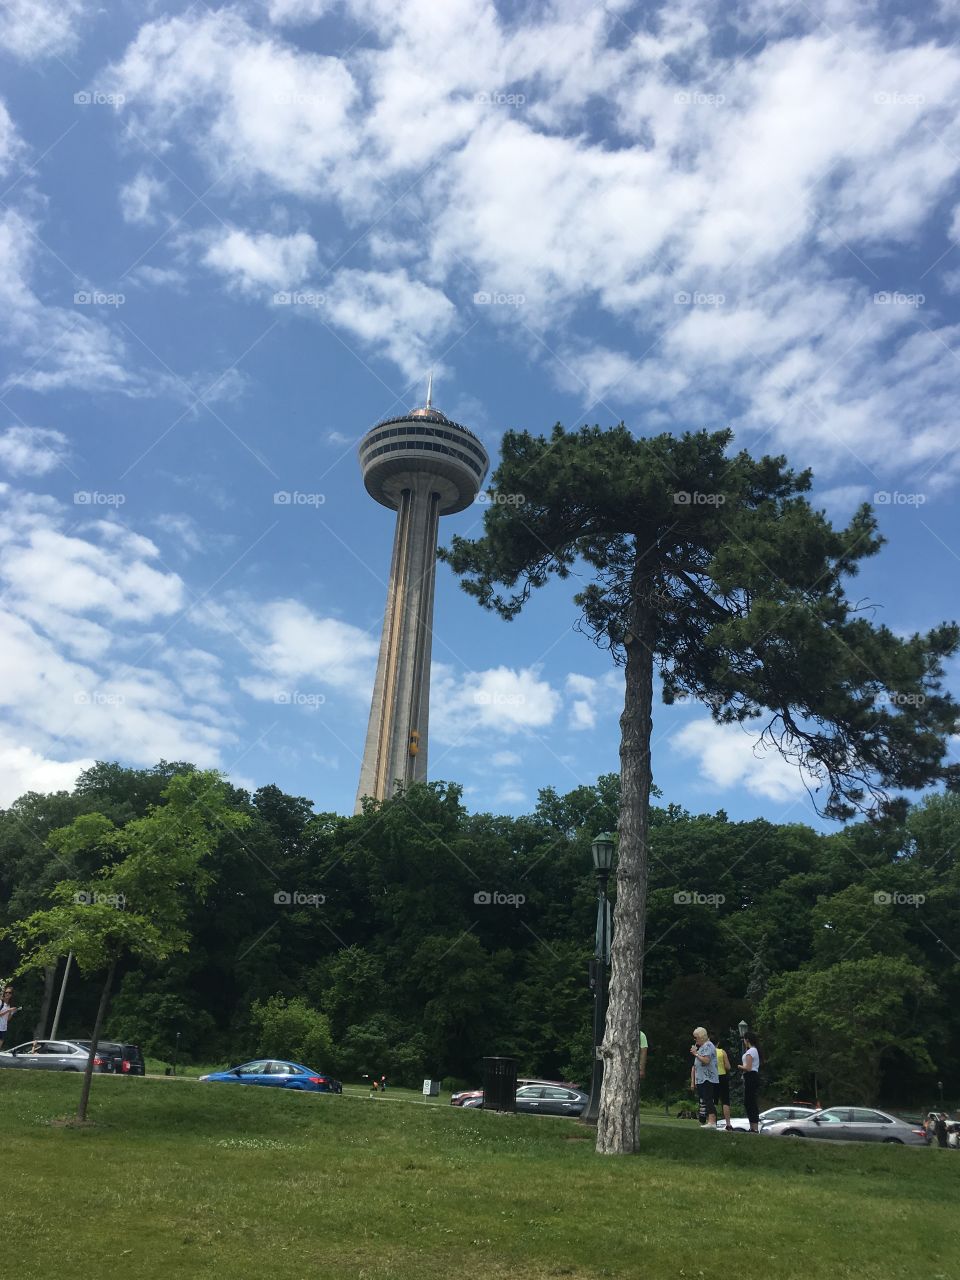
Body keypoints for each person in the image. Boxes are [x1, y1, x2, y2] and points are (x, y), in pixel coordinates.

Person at [689, 1026, 719, 1126]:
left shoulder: (709, 1045)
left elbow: (706, 1060)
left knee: (708, 1099)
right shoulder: (702, 1047)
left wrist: (696, 1054)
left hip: (708, 1078)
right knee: (705, 1100)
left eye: (695, 1037)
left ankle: (712, 1121)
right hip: (701, 1078)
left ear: (701, 1037)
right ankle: (709, 1120)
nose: (694, 1039)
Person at [737, 1030, 761, 1132]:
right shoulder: (754, 1050)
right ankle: (753, 1126)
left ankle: (754, 1127)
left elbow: (748, 1067)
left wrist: (740, 1066)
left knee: (750, 1102)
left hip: (751, 1076)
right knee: (749, 1102)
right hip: (750, 1077)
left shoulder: (751, 1051)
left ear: (747, 1040)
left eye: (744, 1040)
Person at [714, 1039, 733, 1129]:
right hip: (722, 1076)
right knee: (725, 1101)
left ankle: (712, 1121)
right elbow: (728, 1066)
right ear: (718, 1043)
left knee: (713, 1101)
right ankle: (728, 1124)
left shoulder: (707, 1052)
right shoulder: (722, 1052)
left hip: (712, 1077)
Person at [0, 985, 20, 1050]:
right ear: (4, 993)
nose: (7, 994)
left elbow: (7, 1019)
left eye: (9, 993)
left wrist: (12, 1013)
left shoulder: (9, 1005)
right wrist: (8, 1010)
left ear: (11, 995)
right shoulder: (0, 1002)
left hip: (3, 1029)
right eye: (6, 992)